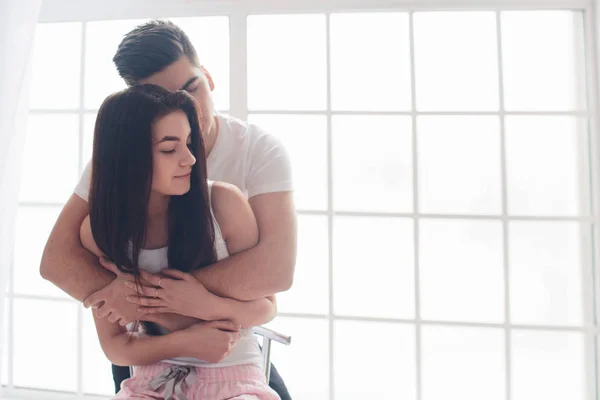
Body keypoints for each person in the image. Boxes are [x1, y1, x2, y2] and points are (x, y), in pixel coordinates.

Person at [40, 20, 296, 399]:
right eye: (162, 98)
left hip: (225, 338)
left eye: (191, 87)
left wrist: (167, 300)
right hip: (148, 350)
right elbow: (57, 261)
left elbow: (275, 273)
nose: (186, 105)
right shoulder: (116, 165)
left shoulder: (252, 158)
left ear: (207, 75)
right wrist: (148, 310)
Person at [80, 84, 280, 399]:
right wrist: (186, 342)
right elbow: (115, 346)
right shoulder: (98, 231)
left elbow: (266, 308)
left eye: (188, 143)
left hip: (234, 378)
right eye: (169, 149)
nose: (189, 159)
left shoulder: (224, 204)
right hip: (152, 382)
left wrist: (202, 303)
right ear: (128, 157)